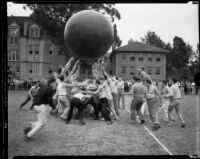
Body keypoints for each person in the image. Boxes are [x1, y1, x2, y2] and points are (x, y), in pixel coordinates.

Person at [23, 76, 57, 141]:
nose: (56, 84)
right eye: (55, 83)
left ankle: (29, 128)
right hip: (41, 107)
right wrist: (54, 108)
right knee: (41, 124)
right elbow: (50, 101)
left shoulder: (43, 87)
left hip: (36, 106)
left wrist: (35, 105)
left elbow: (37, 96)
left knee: (41, 122)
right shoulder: (50, 89)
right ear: (52, 83)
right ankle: (28, 135)